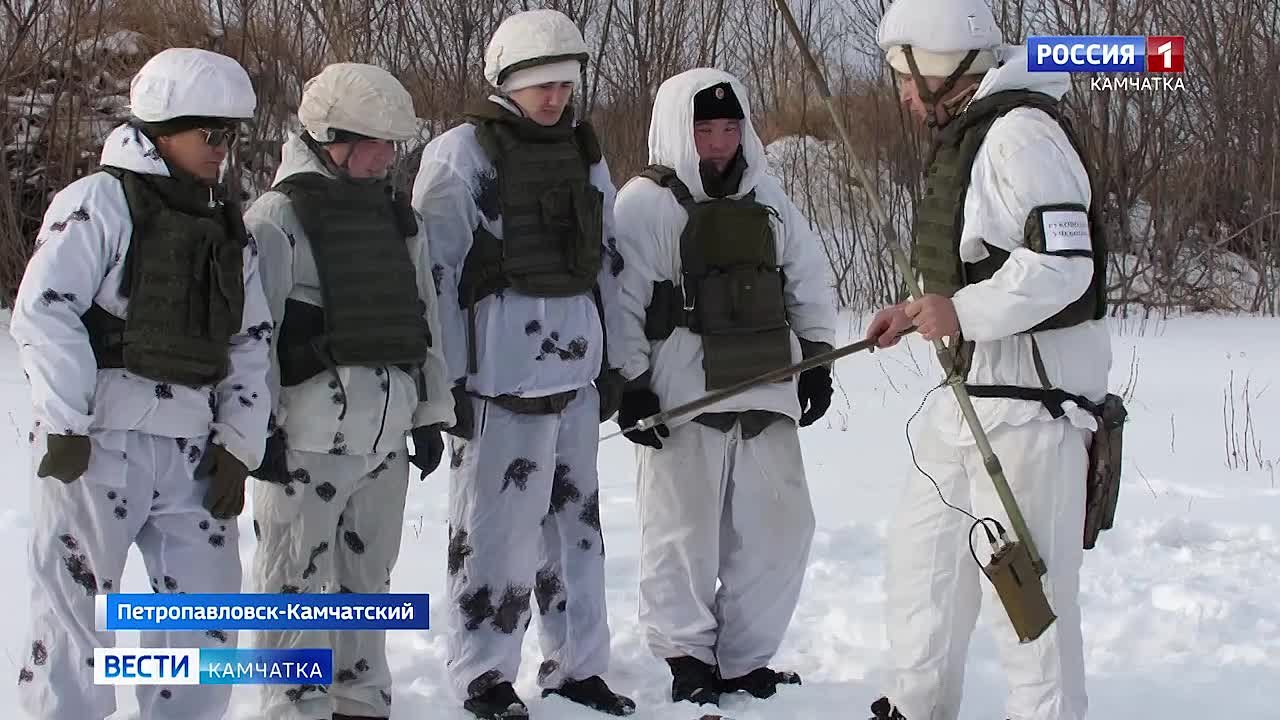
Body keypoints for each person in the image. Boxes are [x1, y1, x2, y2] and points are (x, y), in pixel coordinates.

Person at [866, 1, 1112, 719]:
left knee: (1028, 602)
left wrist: (962, 313)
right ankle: (918, 706)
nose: (904, 93)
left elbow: (1066, 265)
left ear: (941, 64)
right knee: (924, 567)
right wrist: (920, 309)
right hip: (968, 396)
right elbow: (978, 262)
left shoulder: (1022, 135)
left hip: (1030, 410)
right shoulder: (972, 136)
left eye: (906, 76)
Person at [10, 47, 269, 720]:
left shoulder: (226, 227)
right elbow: (44, 309)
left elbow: (250, 341)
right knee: (76, 609)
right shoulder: (98, 203)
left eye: (231, 135)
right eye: (210, 134)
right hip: (99, 442)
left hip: (190, 448)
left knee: (204, 616)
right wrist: (66, 423)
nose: (223, 150)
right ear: (161, 130)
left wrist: (238, 443)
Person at [411, 8, 632, 720]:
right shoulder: (461, 154)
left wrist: (620, 360)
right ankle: (484, 675)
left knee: (578, 532)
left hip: (576, 376)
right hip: (496, 381)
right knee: (493, 537)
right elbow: (434, 275)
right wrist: (442, 382)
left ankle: (577, 666)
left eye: (564, 85)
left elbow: (608, 260)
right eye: (540, 85)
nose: (554, 98)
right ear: (506, 82)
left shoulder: (583, 150)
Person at [607, 68, 837, 708]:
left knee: (782, 528)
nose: (718, 142)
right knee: (682, 534)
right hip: (683, 397)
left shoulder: (769, 198)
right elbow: (622, 300)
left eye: (730, 127)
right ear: (680, 130)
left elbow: (808, 277)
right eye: (704, 129)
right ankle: (685, 655)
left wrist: (816, 357)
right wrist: (632, 385)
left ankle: (744, 657)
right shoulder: (644, 204)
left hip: (766, 388)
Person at [242, 62, 455, 720]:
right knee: (293, 590)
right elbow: (250, 339)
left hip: (382, 441)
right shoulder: (277, 217)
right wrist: (255, 434)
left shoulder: (399, 220)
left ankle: (361, 704)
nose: (387, 158)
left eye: (393, 145)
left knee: (368, 585)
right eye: (374, 143)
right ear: (329, 137)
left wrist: (428, 413)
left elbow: (424, 321)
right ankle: (292, 709)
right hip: (303, 445)